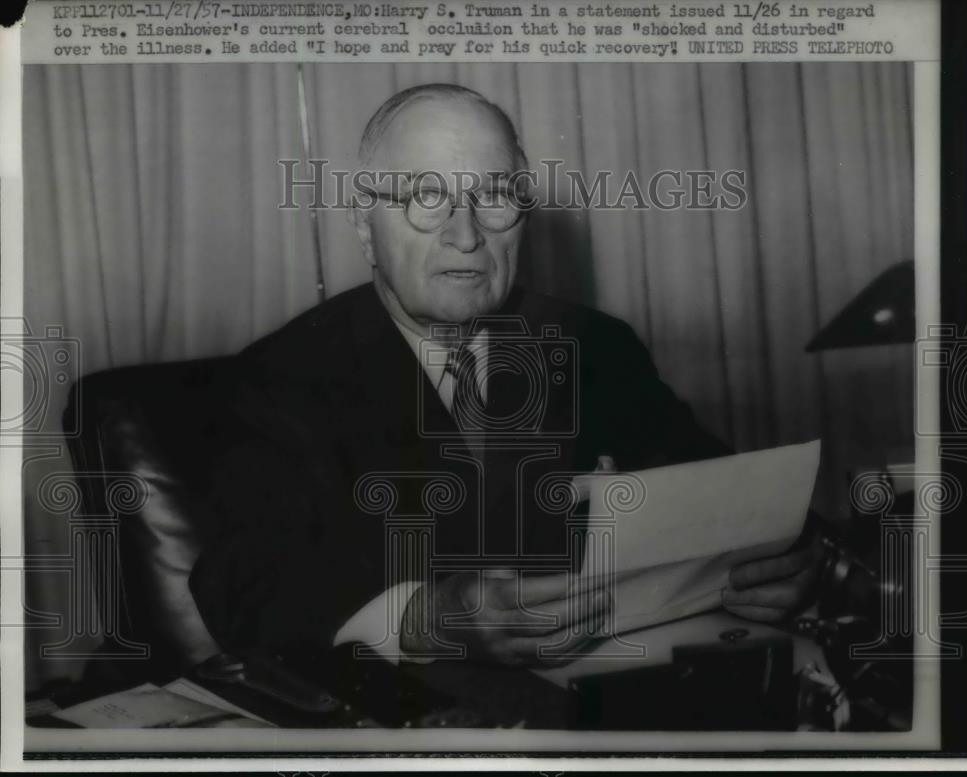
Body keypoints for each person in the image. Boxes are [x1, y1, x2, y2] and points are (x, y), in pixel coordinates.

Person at [189, 83, 824, 671]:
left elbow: (721, 494)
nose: (466, 236)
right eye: (426, 198)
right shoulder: (277, 378)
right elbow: (241, 586)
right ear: (364, 222)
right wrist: (426, 618)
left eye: (493, 197)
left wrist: (782, 561)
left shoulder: (595, 345)